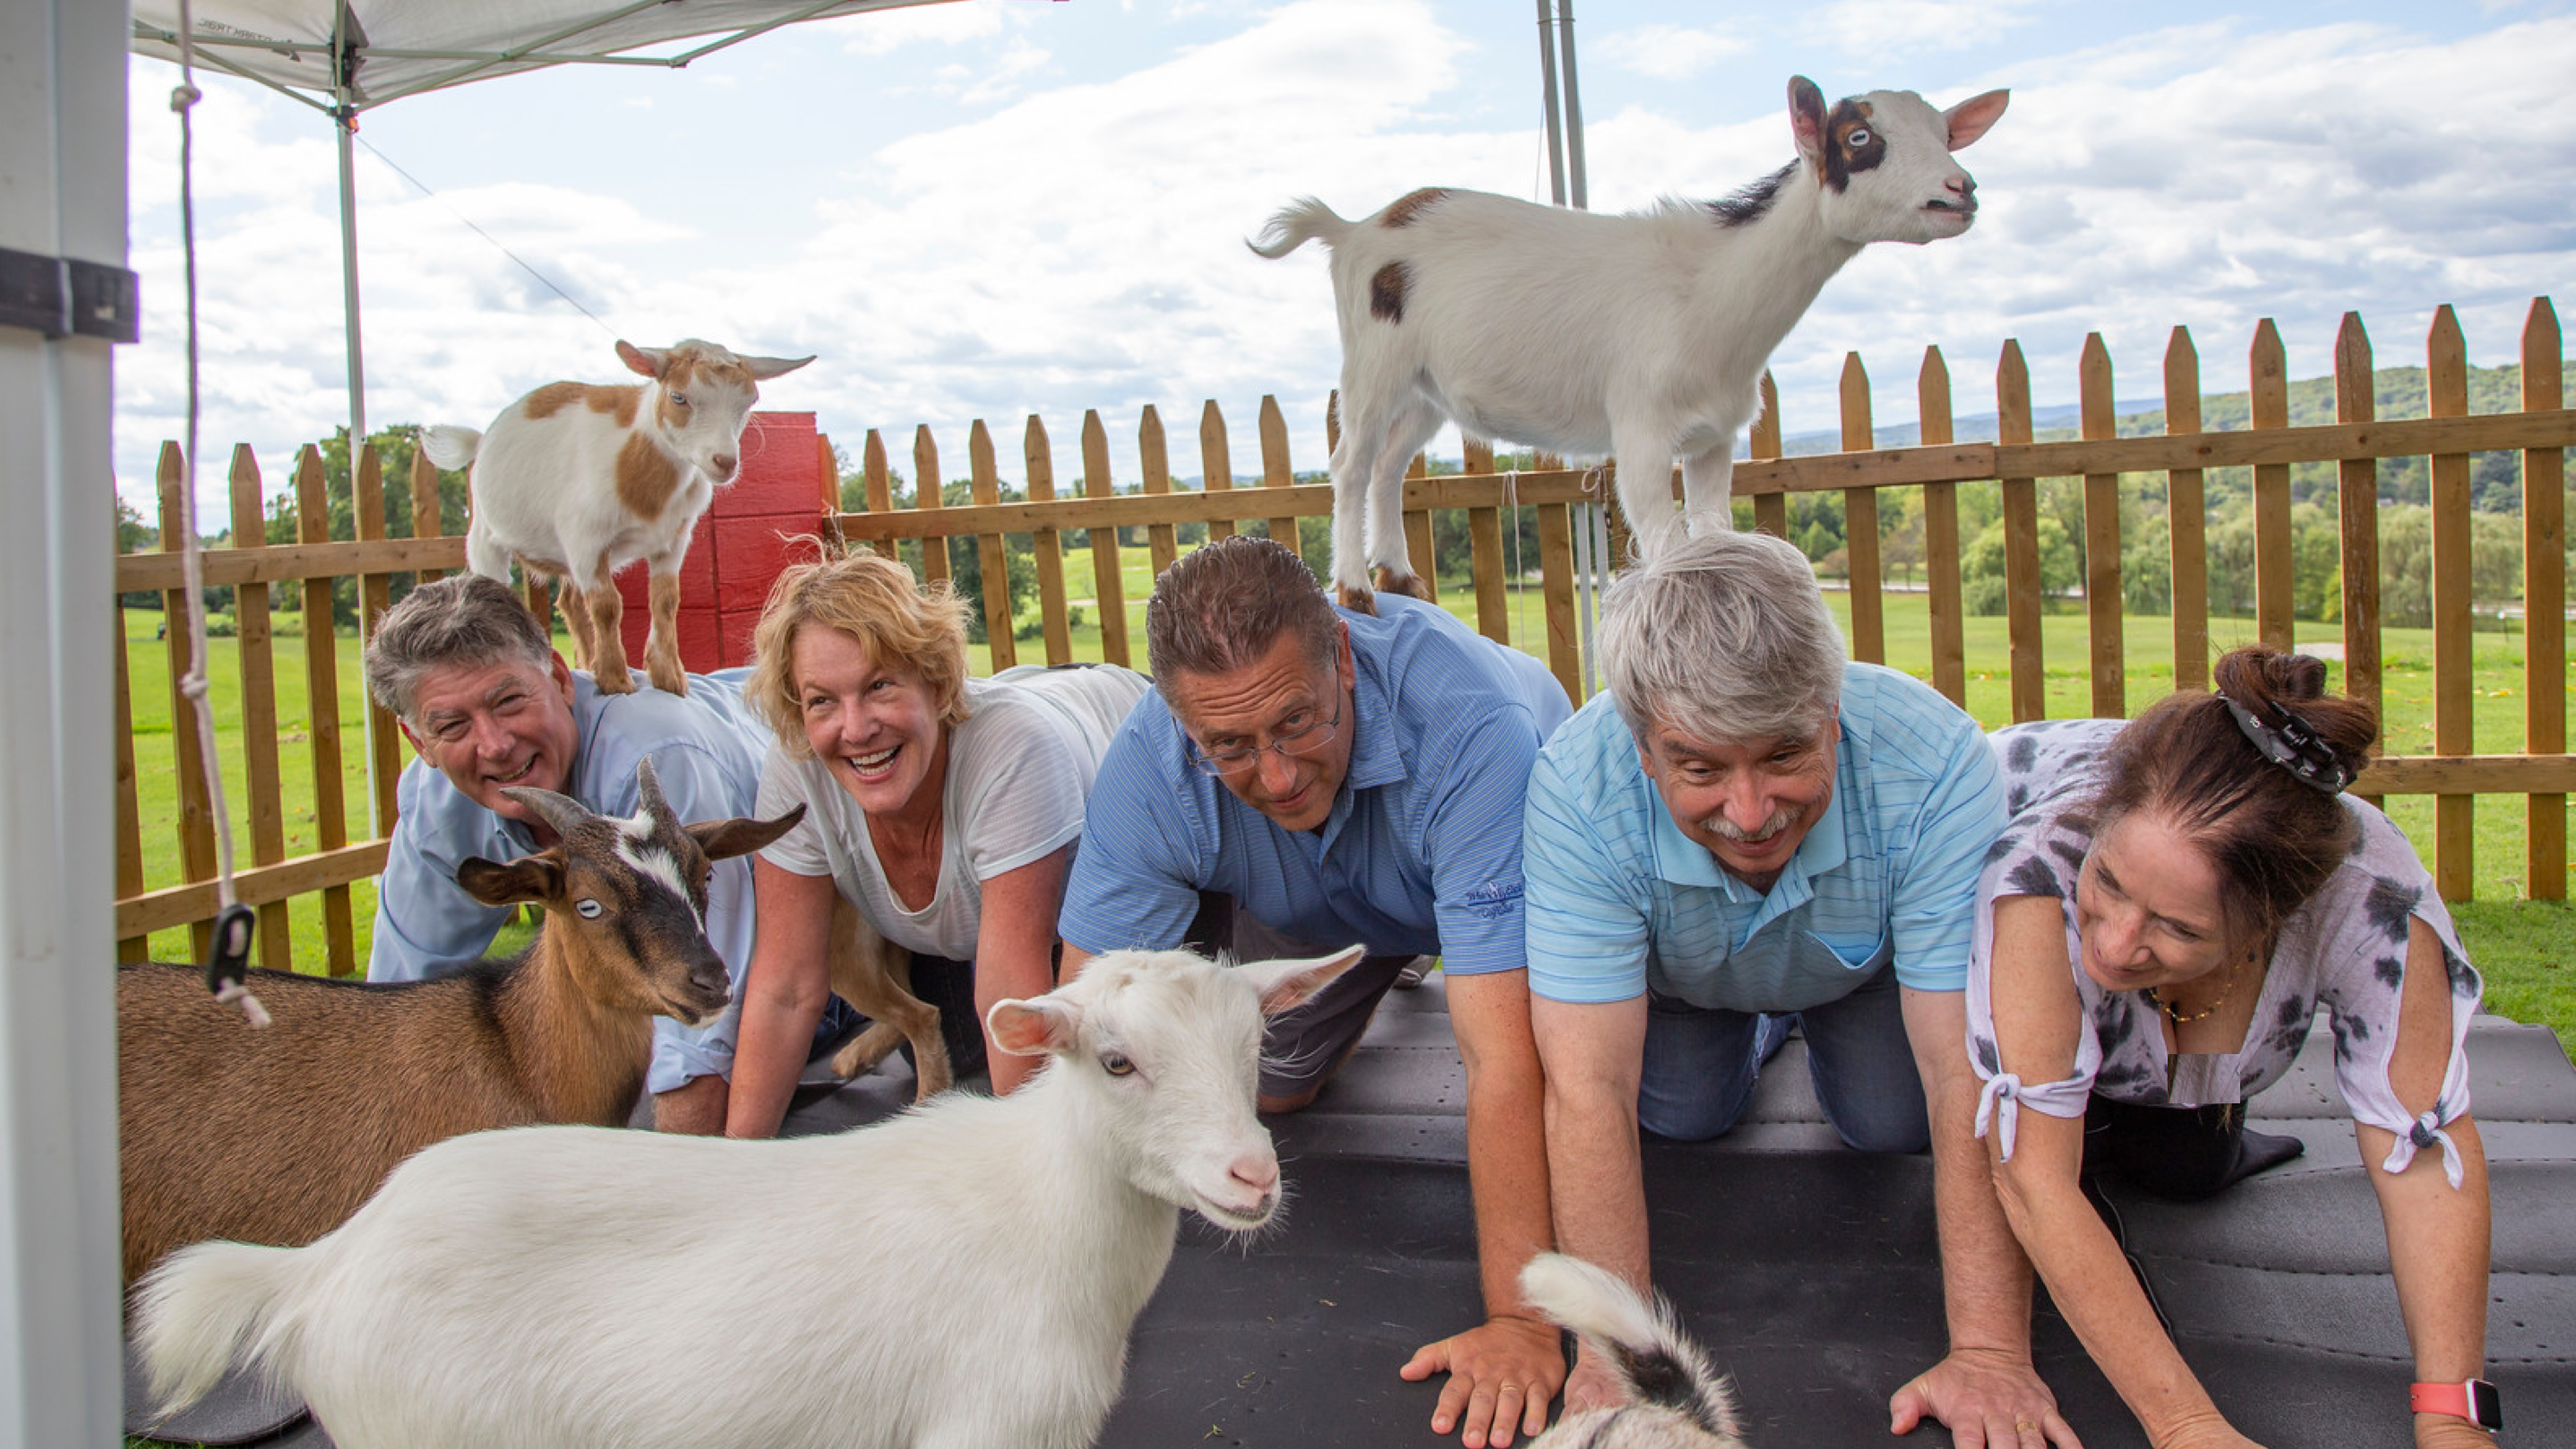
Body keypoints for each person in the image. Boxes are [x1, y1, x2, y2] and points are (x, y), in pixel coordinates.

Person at [1520, 529, 2062, 1443]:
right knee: (1680, 1115)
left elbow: (1959, 1070)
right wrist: (1610, 1363)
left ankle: (1795, 1006)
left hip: (1856, 973)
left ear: (1830, 713)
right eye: (1699, 768)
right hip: (1682, 984)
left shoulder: (1933, 764)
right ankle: (1757, 1023)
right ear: (1642, 750)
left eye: (1781, 757)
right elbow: (1587, 1087)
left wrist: (1989, 1355)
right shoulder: (1578, 790)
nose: (1748, 813)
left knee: (1889, 1123)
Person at [1058, 535, 1573, 1449]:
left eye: (1296, 721)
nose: (1280, 774)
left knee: (1640, 1096)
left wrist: (1522, 1323)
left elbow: (1499, 1060)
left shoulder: (1469, 725)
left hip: (1473, 863)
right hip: (1316, 904)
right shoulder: (1149, 765)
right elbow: (1090, 1037)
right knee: (1272, 1086)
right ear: (1181, 726)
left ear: (1341, 654)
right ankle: (1380, 962)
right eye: (1230, 747)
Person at [1954, 646, 2494, 1448]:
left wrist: (2455, 1422)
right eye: (2109, 885)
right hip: (1988, 909)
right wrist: (2187, 1427)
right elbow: (2033, 1181)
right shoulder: (2038, 868)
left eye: (2177, 926)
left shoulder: (2374, 902)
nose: (2117, 942)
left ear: (2280, 920)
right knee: (1974, 1130)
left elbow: (2425, 1156)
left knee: (2185, 1165)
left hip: (2199, 1016)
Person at [723, 552, 1150, 1128]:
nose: (854, 728)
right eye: (822, 699)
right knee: (967, 1061)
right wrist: (735, 1170)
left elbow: (1008, 994)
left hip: (1124, 743)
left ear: (938, 682)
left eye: (878, 686)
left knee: (1125, 1059)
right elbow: (786, 990)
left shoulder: (1013, 751)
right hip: (968, 921)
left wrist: (1020, 1200)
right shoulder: (798, 763)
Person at [364, 572, 773, 1134]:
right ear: (420, 743)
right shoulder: (436, 804)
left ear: (559, 678)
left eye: (508, 701)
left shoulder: (655, 759)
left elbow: (705, 1030)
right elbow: (400, 1011)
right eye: (453, 725)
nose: (496, 745)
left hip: (823, 951)